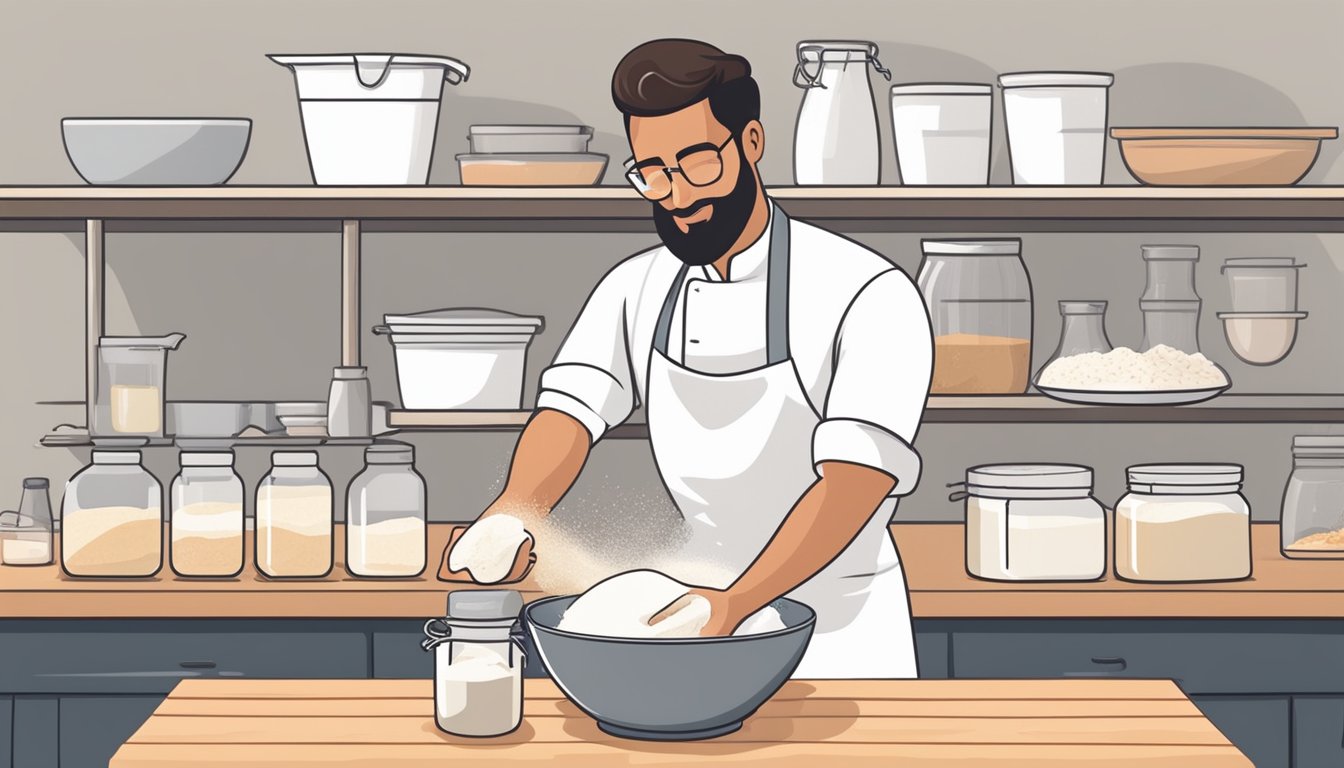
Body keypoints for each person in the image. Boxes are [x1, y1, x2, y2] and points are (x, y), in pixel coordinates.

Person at [454, 38, 932, 678]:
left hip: (840, 632)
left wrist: (736, 603)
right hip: (686, 617)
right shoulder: (635, 286)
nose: (675, 194)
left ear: (752, 142)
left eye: (697, 162)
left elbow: (855, 482)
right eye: (651, 171)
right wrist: (515, 509)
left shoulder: (868, 293)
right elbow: (569, 412)